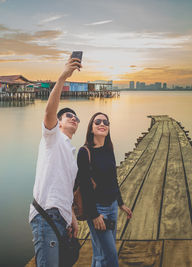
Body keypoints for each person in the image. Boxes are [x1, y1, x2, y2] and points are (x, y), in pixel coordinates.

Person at [29, 57, 82, 266]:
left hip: (62, 219)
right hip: (46, 216)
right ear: (58, 123)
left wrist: (72, 218)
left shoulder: (71, 151)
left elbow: (66, 189)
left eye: (76, 118)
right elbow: (49, 111)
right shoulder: (53, 138)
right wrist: (63, 77)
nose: (74, 119)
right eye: (68, 116)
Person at [77, 112, 132, 267]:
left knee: (100, 255)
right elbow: (86, 186)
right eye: (98, 121)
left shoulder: (109, 149)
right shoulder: (84, 152)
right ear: (91, 128)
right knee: (110, 257)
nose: (102, 124)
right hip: (98, 210)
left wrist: (121, 203)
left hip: (112, 207)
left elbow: (113, 179)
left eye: (106, 122)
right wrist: (94, 215)